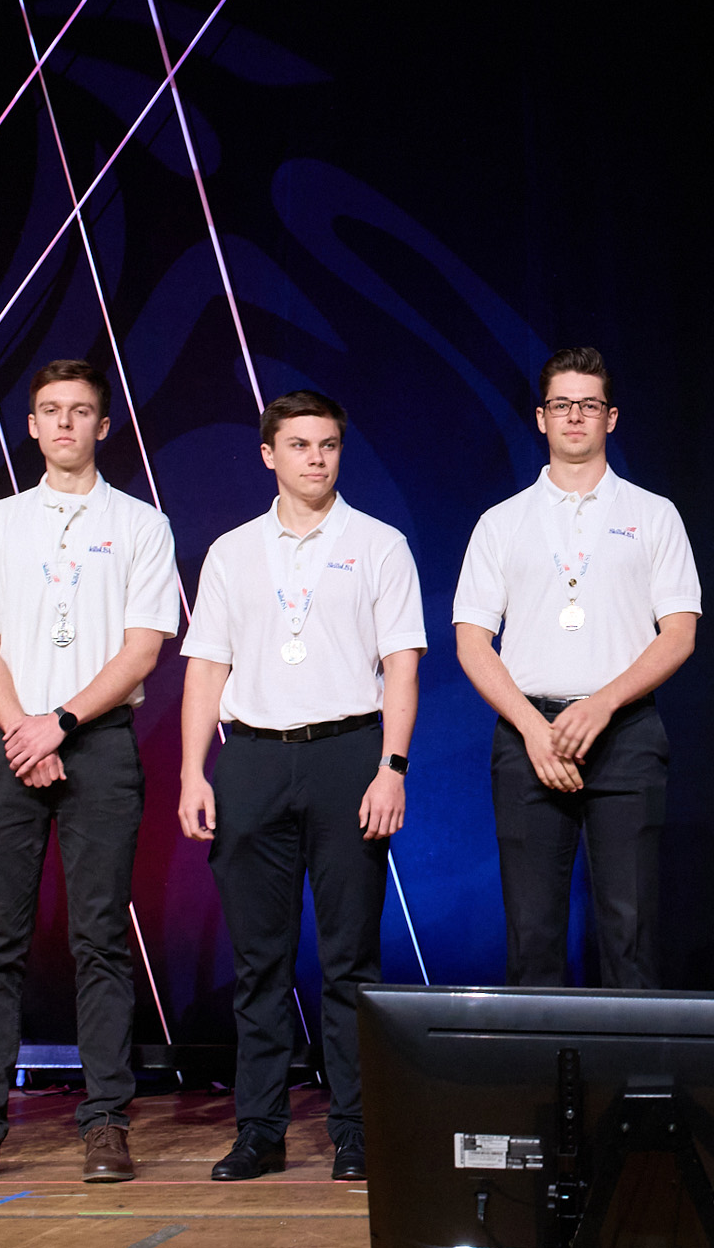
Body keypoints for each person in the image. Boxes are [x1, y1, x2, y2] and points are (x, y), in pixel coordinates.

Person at [0, 360, 181, 1186]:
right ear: (32, 426)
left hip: (98, 744)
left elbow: (143, 646)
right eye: (51, 411)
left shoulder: (143, 524)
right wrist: (21, 732)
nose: (66, 424)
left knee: (101, 940)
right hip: (7, 747)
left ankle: (106, 1120)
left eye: (81, 412)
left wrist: (60, 725)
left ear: (104, 427)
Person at [178, 390, 425, 1183]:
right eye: (300, 445)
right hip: (251, 757)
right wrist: (192, 770)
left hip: (348, 753)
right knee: (261, 962)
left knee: (353, 959)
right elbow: (207, 666)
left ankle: (357, 1129)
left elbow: (402, 665)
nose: (316, 458)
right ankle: (260, 1130)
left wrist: (392, 765)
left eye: (327, 445)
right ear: (269, 455)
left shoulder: (378, 543)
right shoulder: (231, 550)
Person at [455, 347, 700, 988]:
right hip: (527, 737)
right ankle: (540, 1089)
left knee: (631, 928)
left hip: (624, 733)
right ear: (540, 418)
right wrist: (537, 730)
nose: (574, 417)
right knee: (532, 935)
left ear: (610, 418)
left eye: (588, 405)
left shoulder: (653, 515)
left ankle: (631, 1087)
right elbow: (473, 643)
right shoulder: (501, 522)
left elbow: (678, 634)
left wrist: (600, 704)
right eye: (562, 405)